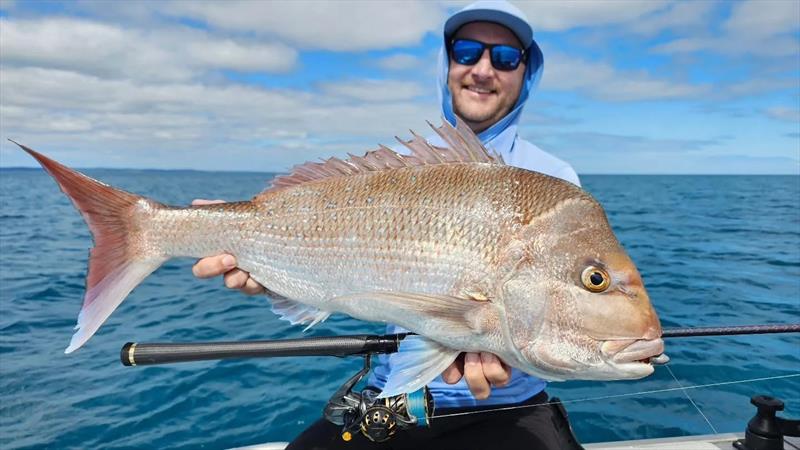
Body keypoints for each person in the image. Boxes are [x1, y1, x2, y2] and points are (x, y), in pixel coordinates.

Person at [193, 1, 584, 448]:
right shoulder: (394, 169)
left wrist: (516, 348)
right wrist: (273, 263)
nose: (482, 69)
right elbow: (339, 260)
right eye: (466, 52)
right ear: (446, 63)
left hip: (510, 409)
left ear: (527, 72)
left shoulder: (553, 182)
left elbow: (559, 314)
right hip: (391, 402)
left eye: (506, 57)